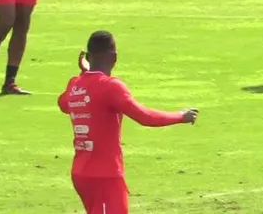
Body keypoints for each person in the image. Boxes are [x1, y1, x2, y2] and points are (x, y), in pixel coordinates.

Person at [58, 31, 199, 214]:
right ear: (114, 57)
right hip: (105, 175)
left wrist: (84, 74)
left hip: (81, 173)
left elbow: (63, 104)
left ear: (88, 56)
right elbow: (145, 117)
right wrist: (180, 116)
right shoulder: (111, 86)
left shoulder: (75, 84)